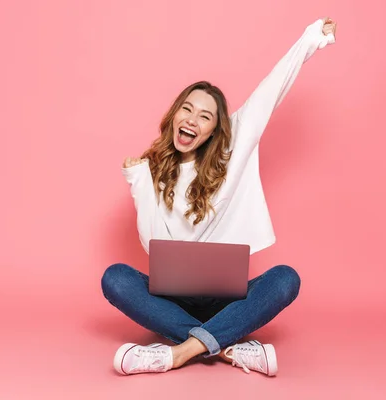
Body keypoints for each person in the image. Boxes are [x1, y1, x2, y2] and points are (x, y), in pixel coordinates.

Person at [101, 17, 337, 376]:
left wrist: (311, 38)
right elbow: (154, 245)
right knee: (115, 278)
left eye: (205, 116)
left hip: (228, 300)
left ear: (215, 130)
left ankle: (176, 354)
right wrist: (138, 181)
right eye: (187, 109)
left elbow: (271, 89)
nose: (193, 120)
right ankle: (226, 348)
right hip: (172, 301)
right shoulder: (152, 172)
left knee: (285, 279)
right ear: (175, 113)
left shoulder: (234, 150)